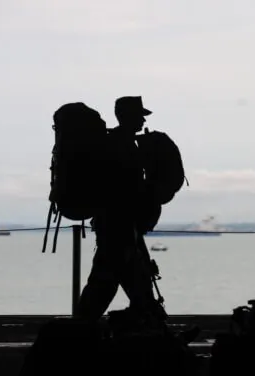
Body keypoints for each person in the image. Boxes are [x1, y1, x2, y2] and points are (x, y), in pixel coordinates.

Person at [77, 96, 166, 327]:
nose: (141, 121)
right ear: (126, 116)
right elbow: (126, 188)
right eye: (139, 116)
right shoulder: (120, 145)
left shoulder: (118, 143)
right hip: (119, 227)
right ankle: (78, 331)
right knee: (106, 284)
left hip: (120, 227)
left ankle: (158, 331)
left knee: (136, 283)